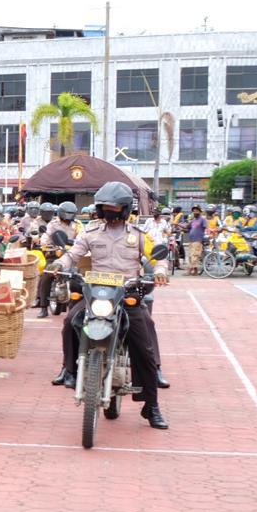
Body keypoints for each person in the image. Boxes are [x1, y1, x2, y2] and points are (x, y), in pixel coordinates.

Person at [52, 181, 169, 430]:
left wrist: (159, 271)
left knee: (144, 341)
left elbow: (156, 258)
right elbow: (72, 255)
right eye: (105, 207)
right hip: (96, 294)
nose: (110, 211)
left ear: (125, 209)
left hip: (126, 294)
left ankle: (151, 406)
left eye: (115, 207)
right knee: (70, 320)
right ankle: (70, 371)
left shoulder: (138, 235)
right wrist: (59, 266)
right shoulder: (91, 233)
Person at [36, 202, 78, 317]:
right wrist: (44, 243)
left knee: (79, 278)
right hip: (55, 254)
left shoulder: (77, 225)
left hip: (72, 255)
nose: (69, 216)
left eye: (71, 213)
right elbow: (46, 235)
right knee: (46, 275)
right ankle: (43, 307)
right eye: (67, 213)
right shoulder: (53, 224)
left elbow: (82, 237)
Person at [185, 205, 208, 275]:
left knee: (195, 255)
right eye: (194, 210)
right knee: (191, 255)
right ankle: (195, 271)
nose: (195, 212)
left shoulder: (203, 219)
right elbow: (187, 227)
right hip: (191, 240)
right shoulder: (193, 220)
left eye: (197, 210)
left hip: (198, 240)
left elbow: (205, 228)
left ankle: (189, 270)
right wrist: (177, 225)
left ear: (200, 211)